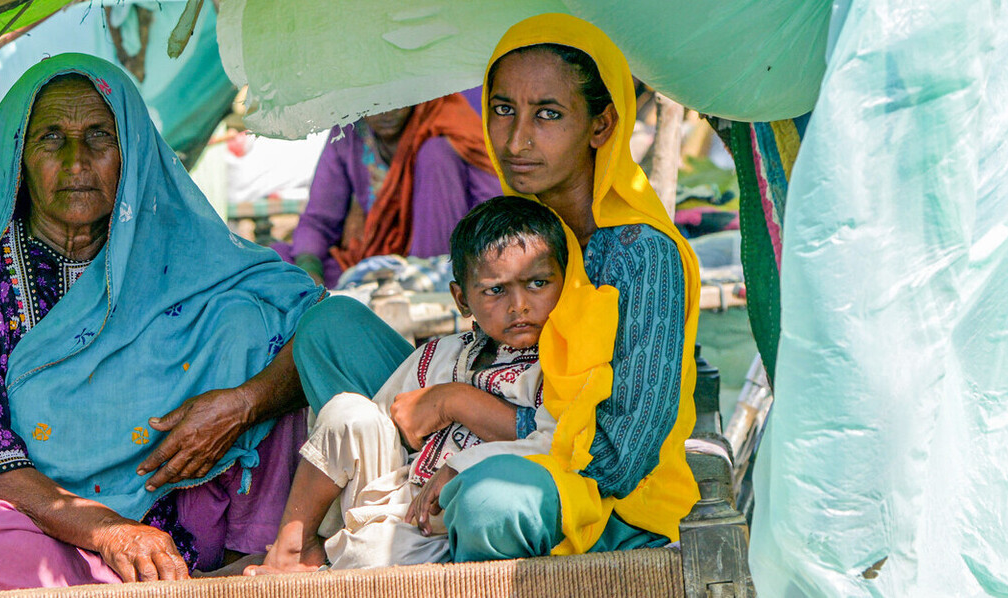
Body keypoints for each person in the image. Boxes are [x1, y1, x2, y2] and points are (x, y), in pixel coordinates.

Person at [0, 54, 325, 592]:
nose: (76, 161)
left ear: (132, 152)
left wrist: (244, 404)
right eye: (51, 137)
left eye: (99, 135)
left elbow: (317, 325)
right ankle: (157, 584)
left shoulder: (183, 254)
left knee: (256, 322)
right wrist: (108, 530)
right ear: (18, 155)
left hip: (188, 526)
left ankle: (243, 562)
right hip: (47, 528)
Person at [287, 13, 702, 564]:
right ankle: (374, 529)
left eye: (548, 114)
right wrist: (448, 417)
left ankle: (431, 537)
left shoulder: (638, 254)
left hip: (593, 497)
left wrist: (463, 424)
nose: (517, 138)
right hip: (462, 449)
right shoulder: (509, 229)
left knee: (493, 504)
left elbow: (621, 459)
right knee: (330, 327)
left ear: (601, 125)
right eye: (503, 109)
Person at [248, 196, 569, 574]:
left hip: (454, 523)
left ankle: (335, 562)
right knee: (346, 411)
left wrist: (460, 458)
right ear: (462, 299)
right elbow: (384, 420)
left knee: (371, 556)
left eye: (537, 283)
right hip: (396, 498)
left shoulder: (561, 365)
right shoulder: (441, 354)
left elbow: (560, 442)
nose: (519, 305)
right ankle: (294, 546)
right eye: (495, 290)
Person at [276, 95, 501, 288]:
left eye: (395, 98)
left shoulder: (445, 117)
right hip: (374, 259)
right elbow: (318, 220)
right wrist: (310, 270)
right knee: (278, 261)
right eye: (372, 101)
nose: (386, 111)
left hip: (444, 264)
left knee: (436, 153)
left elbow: (494, 212)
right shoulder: (349, 130)